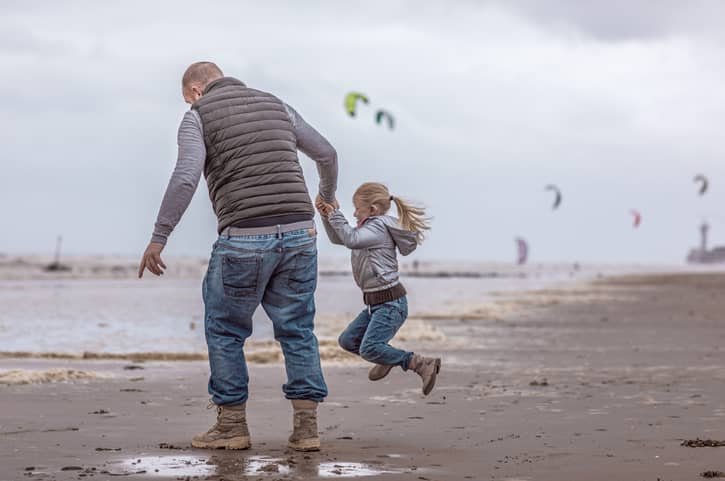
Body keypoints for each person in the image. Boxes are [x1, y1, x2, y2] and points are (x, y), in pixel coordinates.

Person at [138, 61, 339, 452]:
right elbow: (327, 154)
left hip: (245, 237)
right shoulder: (276, 104)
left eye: (186, 98)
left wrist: (159, 236)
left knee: (225, 330)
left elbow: (185, 176)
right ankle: (306, 430)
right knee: (298, 330)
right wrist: (327, 197)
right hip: (301, 232)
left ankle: (231, 426)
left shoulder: (197, 116)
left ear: (196, 91)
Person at [316, 182, 441, 395]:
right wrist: (327, 215)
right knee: (348, 341)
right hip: (376, 305)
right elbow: (339, 238)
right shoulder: (369, 228)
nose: (354, 214)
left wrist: (336, 213)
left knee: (369, 348)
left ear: (372, 209)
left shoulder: (377, 227)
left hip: (391, 304)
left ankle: (420, 363)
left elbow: (350, 239)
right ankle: (386, 357)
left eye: (357, 208)